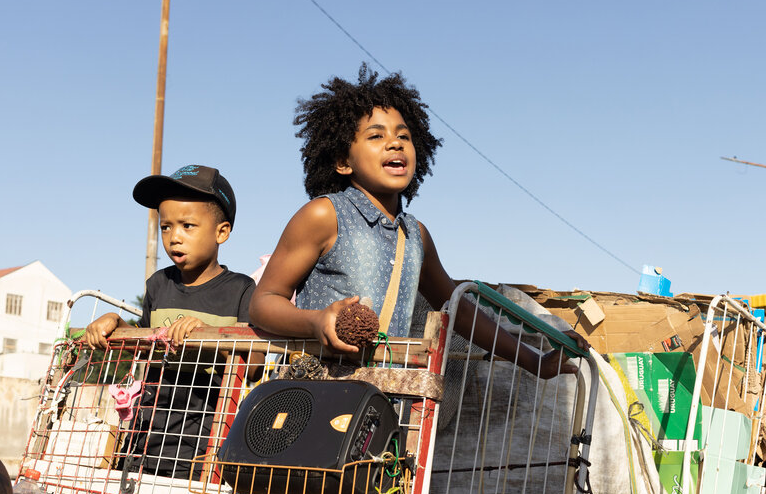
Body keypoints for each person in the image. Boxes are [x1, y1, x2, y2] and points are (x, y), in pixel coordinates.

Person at [250, 65, 588, 377]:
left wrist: (535, 360)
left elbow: (461, 311)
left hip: (387, 400)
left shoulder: (416, 236)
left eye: (404, 136)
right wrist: (315, 322)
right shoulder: (323, 215)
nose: (395, 142)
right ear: (342, 161)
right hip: (314, 390)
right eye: (375, 136)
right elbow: (264, 302)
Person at [85, 164, 255, 480]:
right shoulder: (157, 284)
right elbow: (143, 341)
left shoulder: (241, 289)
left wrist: (207, 337)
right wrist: (115, 323)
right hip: (144, 441)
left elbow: (255, 365)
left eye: (188, 226)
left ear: (222, 232)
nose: (174, 237)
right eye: (166, 227)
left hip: (203, 448)